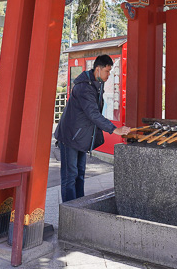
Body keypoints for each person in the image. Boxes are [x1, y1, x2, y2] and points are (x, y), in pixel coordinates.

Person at [54, 54, 130, 202]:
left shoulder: (96, 84)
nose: (109, 74)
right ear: (98, 69)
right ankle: (70, 211)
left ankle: (79, 207)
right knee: (70, 176)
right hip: (70, 137)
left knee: (80, 173)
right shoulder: (84, 87)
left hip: (81, 137)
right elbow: (93, 114)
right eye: (107, 71)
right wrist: (114, 129)